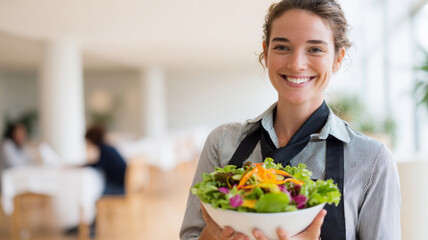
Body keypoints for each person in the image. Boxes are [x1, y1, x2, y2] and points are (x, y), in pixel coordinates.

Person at [180, 0, 401, 240]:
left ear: (338, 58)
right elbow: (191, 235)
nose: (296, 64)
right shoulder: (222, 143)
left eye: (315, 49)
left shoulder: (372, 160)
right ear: (265, 53)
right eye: (282, 47)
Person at [85, 124, 127, 195]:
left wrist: (84, 165)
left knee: (99, 201)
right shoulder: (108, 148)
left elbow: (98, 165)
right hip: (123, 183)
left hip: (119, 185)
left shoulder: (104, 150)